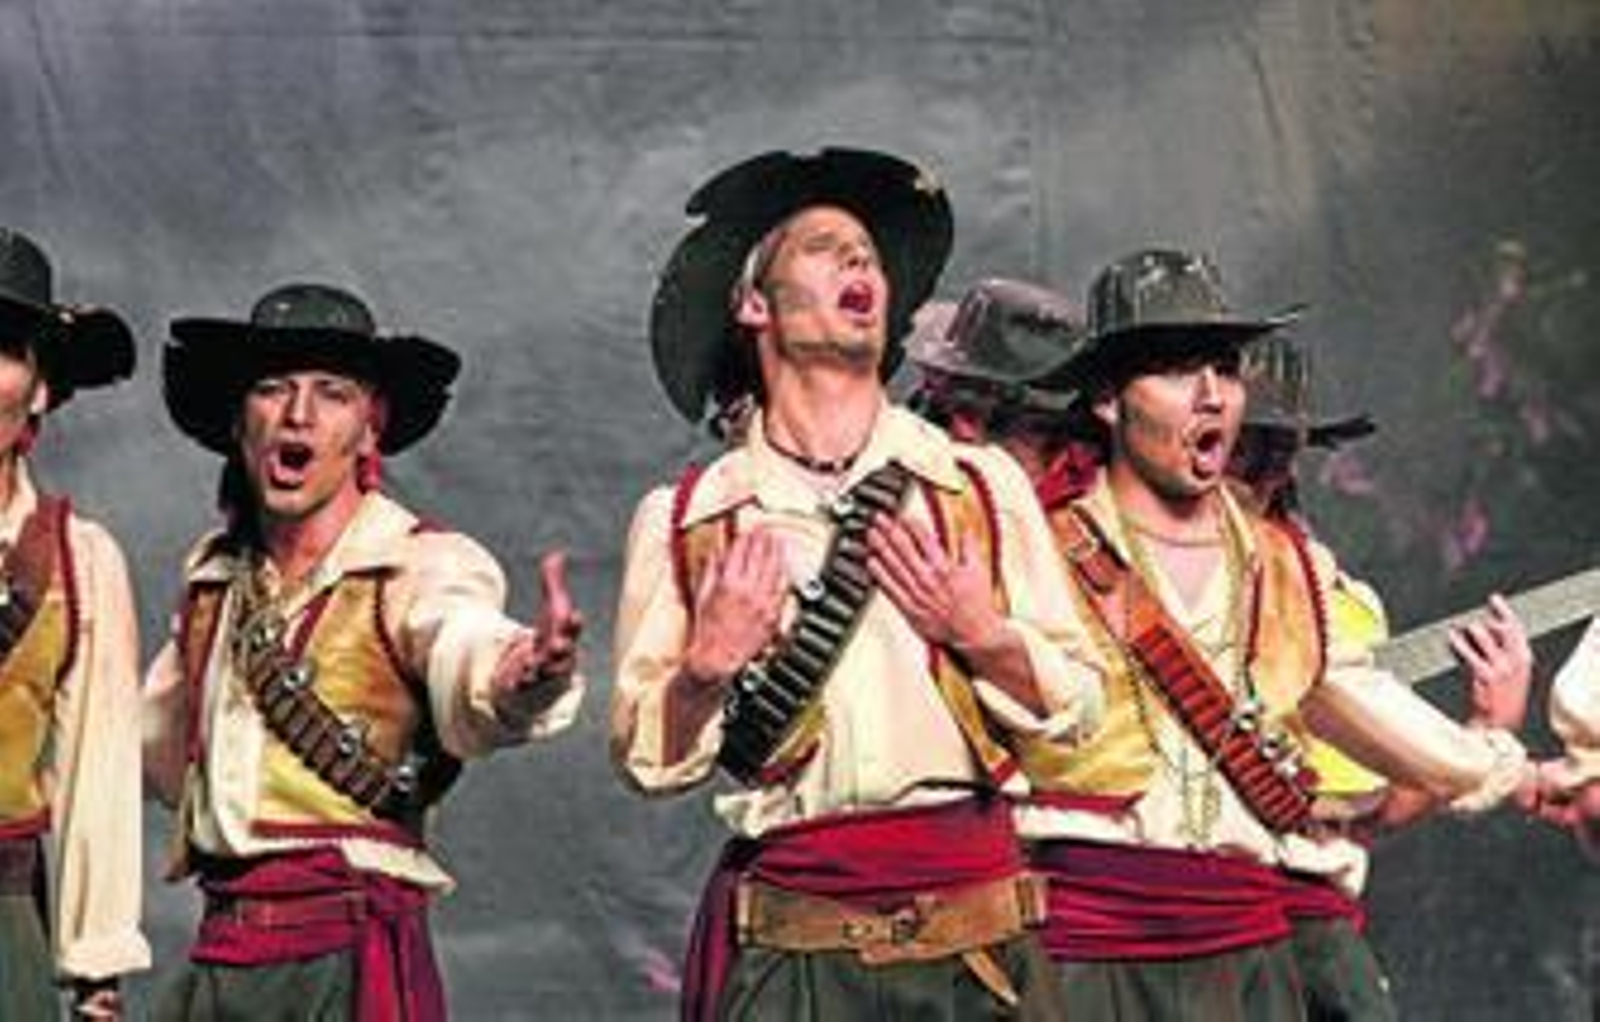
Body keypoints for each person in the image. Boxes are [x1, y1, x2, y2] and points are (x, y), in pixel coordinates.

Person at [609, 148, 1102, 1021]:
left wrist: (985, 637)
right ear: (753, 303)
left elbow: (1080, 713)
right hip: (797, 941)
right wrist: (703, 674)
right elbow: (650, 760)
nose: (859, 262)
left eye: (867, 254)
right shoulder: (689, 517)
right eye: (824, 248)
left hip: (976, 939)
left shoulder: (976, 486)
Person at [1011, 247, 1534, 1019]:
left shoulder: (1287, 566)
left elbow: (1357, 697)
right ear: (1107, 398)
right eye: (1177, 369)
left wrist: (1488, 753)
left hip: (1247, 951)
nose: (1211, 395)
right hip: (1087, 947)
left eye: (1224, 370)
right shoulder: (1037, 544)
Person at [142, 282, 585, 1020]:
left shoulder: (417, 564)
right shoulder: (215, 584)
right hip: (221, 950)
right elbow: (147, 749)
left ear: (370, 431)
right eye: (272, 388)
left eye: (333, 393)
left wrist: (521, 674)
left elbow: (463, 641)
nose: (298, 413)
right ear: (240, 425)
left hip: (342, 953)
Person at [0, 229, 149, 1020]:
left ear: (41, 387)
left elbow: (101, 773)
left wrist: (97, 970)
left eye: (2, 348)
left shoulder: (77, 560)